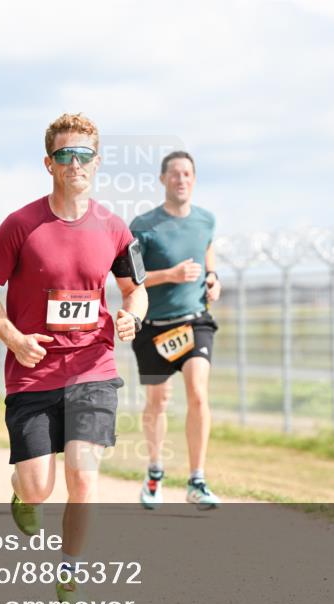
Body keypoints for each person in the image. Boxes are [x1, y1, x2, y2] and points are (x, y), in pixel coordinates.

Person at [0, 113, 147, 602]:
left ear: (97, 161)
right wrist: (11, 336)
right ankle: (20, 489)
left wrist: (131, 314)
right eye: (65, 155)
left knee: (83, 473)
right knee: (38, 488)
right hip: (32, 373)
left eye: (84, 154)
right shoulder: (21, 224)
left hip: (93, 366)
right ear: (49, 163)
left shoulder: (114, 228)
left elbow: (136, 291)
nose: (76, 163)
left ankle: (70, 568)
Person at [130, 150, 222, 510]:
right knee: (159, 401)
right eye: (174, 174)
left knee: (198, 392)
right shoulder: (143, 225)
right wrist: (169, 275)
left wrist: (213, 278)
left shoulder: (206, 221)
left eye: (187, 174)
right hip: (153, 327)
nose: (181, 179)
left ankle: (197, 480)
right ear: (162, 180)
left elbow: (207, 251)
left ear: (194, 179)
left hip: (194, 320)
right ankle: (155, 471)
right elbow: (130, 278)